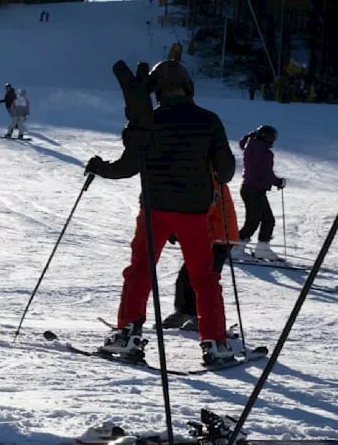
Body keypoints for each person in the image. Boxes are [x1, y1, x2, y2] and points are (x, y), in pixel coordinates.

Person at [85, 59, 237, 366]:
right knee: (204, 278)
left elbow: (127, 168)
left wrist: (99, 167)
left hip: (154, 210)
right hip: (194, 212)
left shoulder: (148, 120)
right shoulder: (208, 120)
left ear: (156, 91)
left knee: (140, 271)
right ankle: (214, 343)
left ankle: (127, 335)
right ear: (187, 86)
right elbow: (226, 171)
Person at [164, 171, 238, 330]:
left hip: (220, 236)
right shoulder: (199, 173)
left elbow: (203, 208)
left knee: (204, 277)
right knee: (186, 275)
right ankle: (184, 311)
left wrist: (179, 227)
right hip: (207, 234)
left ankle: (203, 316)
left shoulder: (211, 175)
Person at [237, 125, 285, 261]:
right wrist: (279, 182)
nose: (272, 141)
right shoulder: (261, 151)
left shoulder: (252, 145)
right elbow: (265, 172)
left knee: (267, 219)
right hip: (253, 188)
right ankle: (236, 248)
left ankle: (261, 249)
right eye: (271, 138)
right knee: (254, 220)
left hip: (252, 188)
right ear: (264, 137)